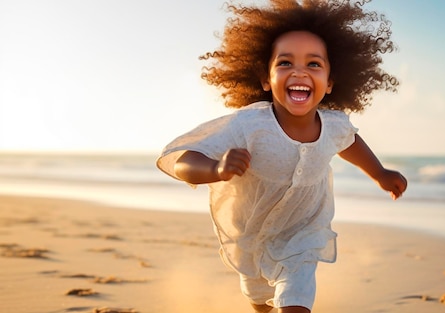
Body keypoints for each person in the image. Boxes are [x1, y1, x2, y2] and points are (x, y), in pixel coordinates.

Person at [156, 1, 408, 312]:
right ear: (266, 79)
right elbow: (183, 159)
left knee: (295, 302)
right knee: (260, 300)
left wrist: (380, 173)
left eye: (314, 64)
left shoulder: (333, 125)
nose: (299, 71)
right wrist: (214, 167)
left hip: (303, 235)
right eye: (285, 63)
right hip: (250, 237)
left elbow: (350, 142)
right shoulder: (249, 125)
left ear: (329, 83)